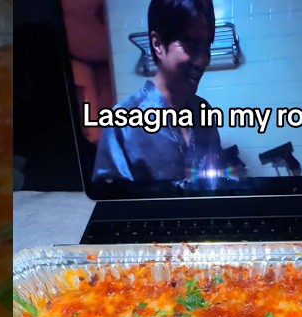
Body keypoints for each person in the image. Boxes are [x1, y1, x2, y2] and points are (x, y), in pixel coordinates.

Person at [91, 0, 224, 184]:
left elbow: (216, 183)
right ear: (158, 44)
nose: (203, 60)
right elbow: (112, 198)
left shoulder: (204, 110)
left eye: (206, 46)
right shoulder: (121, 123)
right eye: (190, 44)